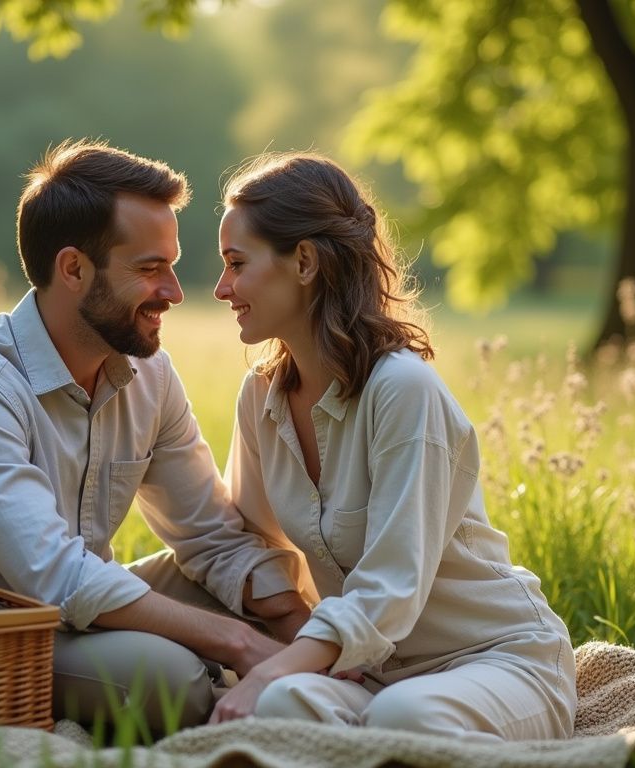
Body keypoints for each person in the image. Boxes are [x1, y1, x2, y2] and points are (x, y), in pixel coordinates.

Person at [0, 140, 312, 730]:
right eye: (149, 269)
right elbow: (57, 576)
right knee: (172, 680)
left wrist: (301, 636)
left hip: (77, 611)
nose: (175, 292)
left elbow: (211, 536)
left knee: (265, 592)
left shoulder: (148, 374)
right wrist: (240, 645)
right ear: (74, 269)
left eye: (171, 266)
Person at [207, 152, 577, 742]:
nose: (222, 287)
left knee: (403, 720)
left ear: (304, 262)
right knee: (281, 703)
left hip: (495, 658)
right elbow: (256, 540)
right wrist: (279, 654)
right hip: (370, 674)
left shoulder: (403, 389)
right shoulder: (261, 397)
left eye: (236, 263)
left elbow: (390, 585)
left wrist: (278, 664)